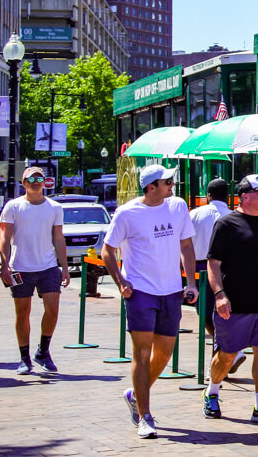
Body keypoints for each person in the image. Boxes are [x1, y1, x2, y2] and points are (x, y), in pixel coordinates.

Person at [102, 164, 197, 439]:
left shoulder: (178, 206)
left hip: (171, 292)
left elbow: (187, 246)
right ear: (151, 186)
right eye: (167, 181)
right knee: (142, 354)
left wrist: (190, 282)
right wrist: (121, 282)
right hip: (140, 292)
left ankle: (135, 395)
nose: (172, 185)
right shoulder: (127, 213)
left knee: (164, 355)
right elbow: (107, 251)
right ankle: (145, 416)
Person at [202, 174, 258, 424]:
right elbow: (213, 263)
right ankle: (212, 392)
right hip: (234, 303)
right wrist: (219, 295)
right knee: (227, 355)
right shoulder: (226, 224)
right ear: (245, 196)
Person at [0, 166, 68, 375]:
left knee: (53, 309)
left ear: (45, 182)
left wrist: (64, 267)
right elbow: (4, 237)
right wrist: (4, 264)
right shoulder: (13, 207)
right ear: (23, 183)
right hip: (20, 267)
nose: (35, 182)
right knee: (22, 312)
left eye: (39, 178)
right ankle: (24, 358)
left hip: (47, 266)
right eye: (30, 179)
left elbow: (58, 238)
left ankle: (43, 351)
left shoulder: (55, 208)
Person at [188, 178, 231, 336]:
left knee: (204, 311)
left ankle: (219, 340)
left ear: (208, 195)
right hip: (227, 268)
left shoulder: (194, 214)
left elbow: (185, 243)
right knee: (226, 307)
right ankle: (225, 341)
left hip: (200, 268)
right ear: (227, 196)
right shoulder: (233, 216)